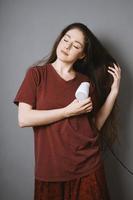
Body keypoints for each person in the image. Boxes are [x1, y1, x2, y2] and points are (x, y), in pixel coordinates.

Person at [13, 22, 121, 200]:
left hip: (88, 168)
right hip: (51, 172)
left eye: (76, 45)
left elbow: (93, 126)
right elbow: (24, 118)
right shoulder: (36, 75)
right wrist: (67, 111)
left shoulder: (85, 83)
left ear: (82, 55)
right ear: (60, 40)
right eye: (66, 39)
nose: (67, 46)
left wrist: (113, 93)